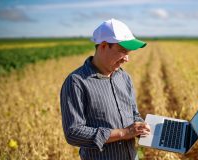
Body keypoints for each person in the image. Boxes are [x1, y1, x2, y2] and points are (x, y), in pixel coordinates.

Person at [60, 18, 150, 160]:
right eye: (123, 51)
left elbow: (133, 113)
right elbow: (73, 133)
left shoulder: (124, 77)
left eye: (129, 53)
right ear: (103, 46)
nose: (127, 59)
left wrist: (141, 129)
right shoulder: (76, 82)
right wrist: (123, 133)